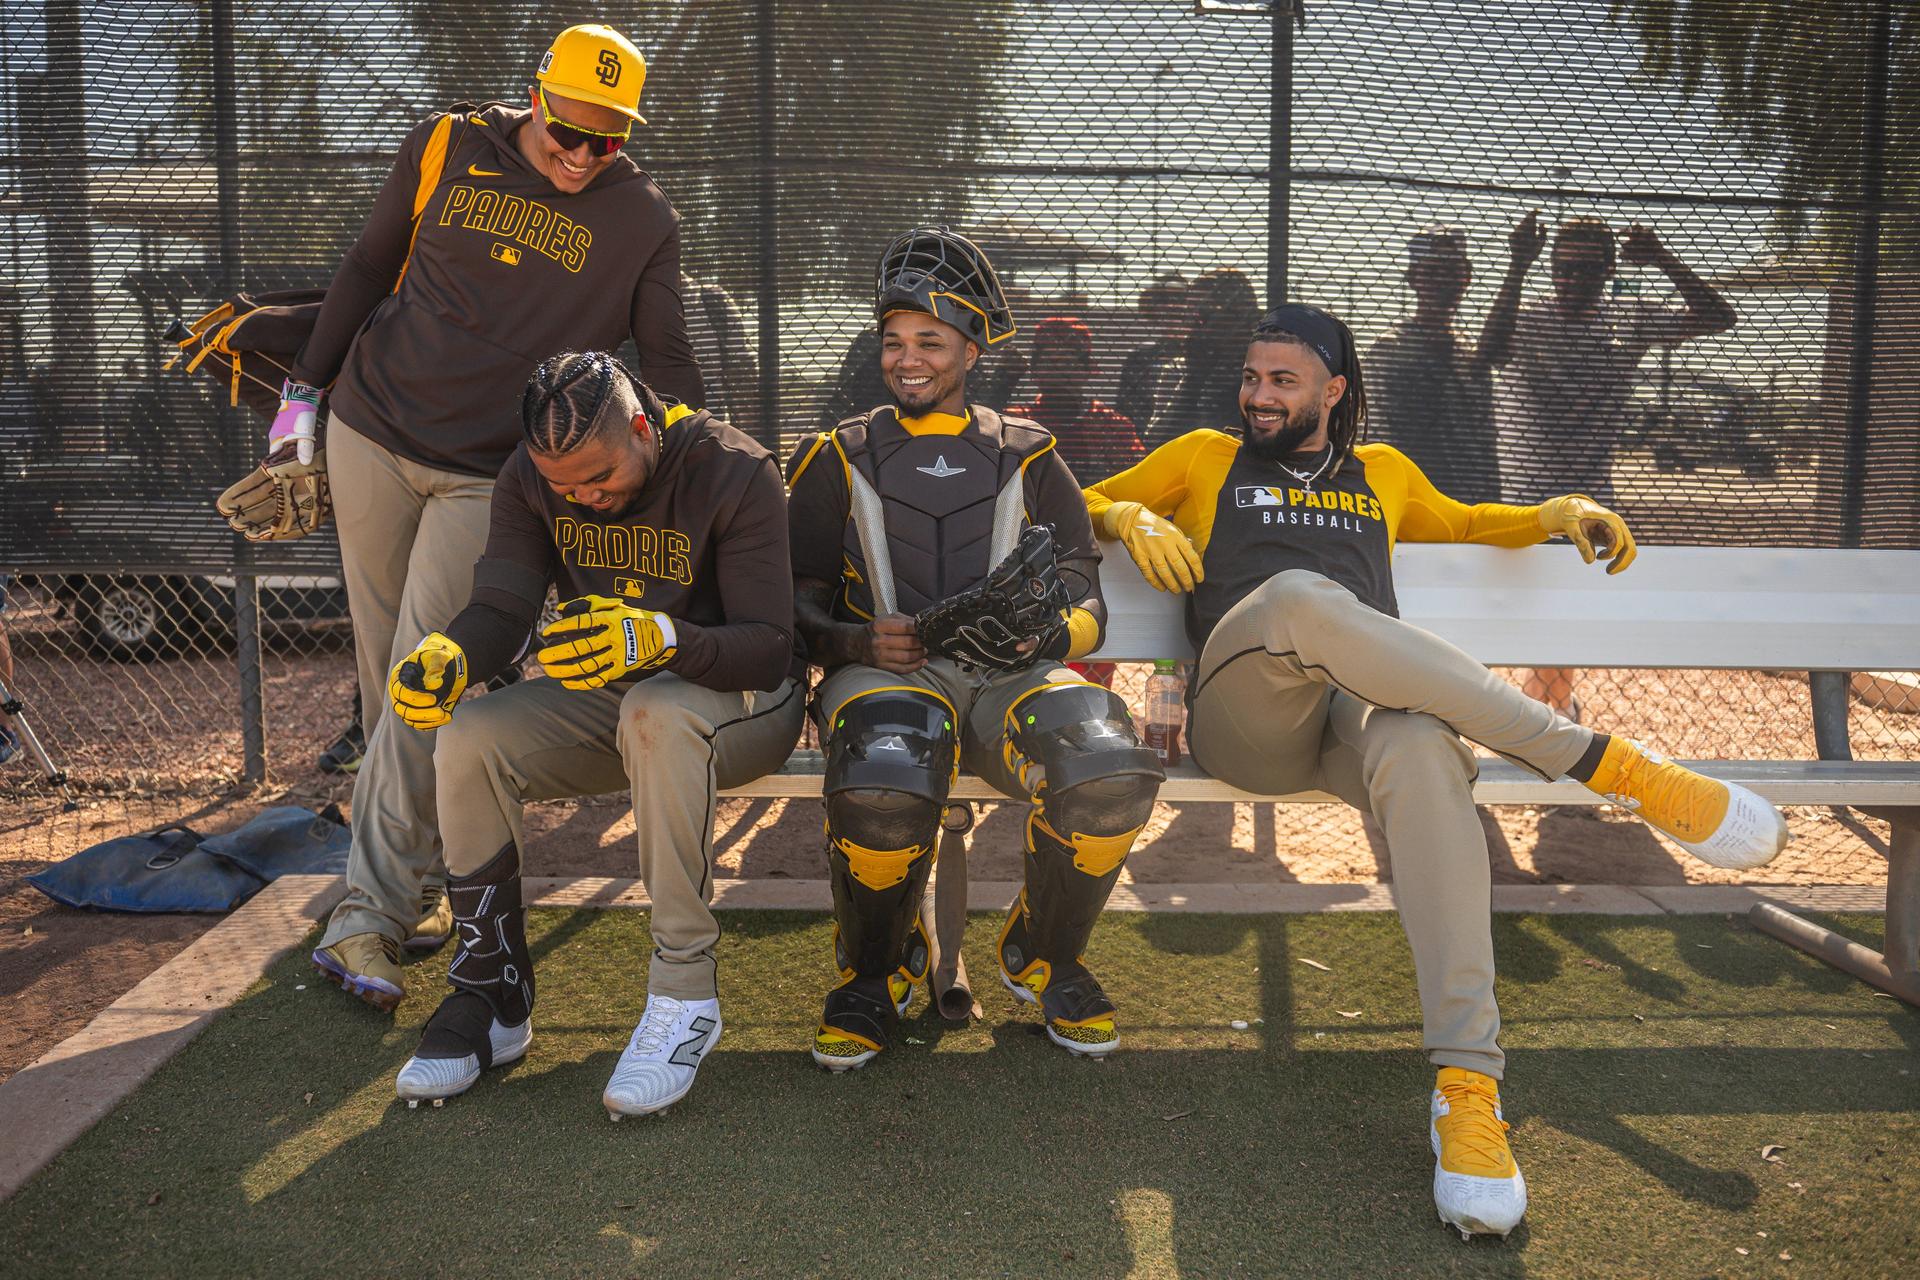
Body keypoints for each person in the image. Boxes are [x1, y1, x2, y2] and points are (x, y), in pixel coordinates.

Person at [1084, 303, 1788, 1240]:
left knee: (1422, 746)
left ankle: (1468, 1089)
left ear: (1333, 390)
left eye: (1282, 380)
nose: (1258, 395)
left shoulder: (1382, 473)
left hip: (1347, 722)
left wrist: (1555, 511)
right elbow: (1068, 496)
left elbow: (1463, 523)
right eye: (1252, 378)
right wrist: (1127, 510)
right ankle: (1615, 769)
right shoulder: (1204, 457)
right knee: (1298, 595)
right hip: (1244, 718)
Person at [297, 24, 707, 1010]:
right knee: (380, 672)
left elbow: (669, 354)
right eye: (566, 131)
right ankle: (418, 876)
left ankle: (368, 915)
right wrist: (300, 397)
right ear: (536, 98)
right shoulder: (446, 143)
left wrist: (702, 452)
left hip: (492, 472)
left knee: (421, 670)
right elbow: (365, 265)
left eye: (604, 141)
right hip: (371, 430)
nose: (580, 155)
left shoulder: (641, 216)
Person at [386, 351, 802, 1115]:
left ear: (642, 427)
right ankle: (493, 992)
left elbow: (771, 645)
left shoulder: (734, 467)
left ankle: (685, 997)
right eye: (563, 485)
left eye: (598, 477)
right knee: (469, 736)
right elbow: (504, 608)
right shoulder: (528, 474)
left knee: (658, 709)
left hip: (743, 701)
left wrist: (664, 640)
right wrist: (452, 651)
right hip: (618, 703)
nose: (582, 496)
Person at [786, 227, 1164, 1069]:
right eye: (893, 341)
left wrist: (1050, 633)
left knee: (1106, 764)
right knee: (888, 773)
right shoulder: (835, 454)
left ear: (971, 347)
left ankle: (1044, 951)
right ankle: (875, 973)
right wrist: (854, 637)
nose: (907, 359)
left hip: (1014, 676)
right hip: (886, 678)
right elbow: (791, 599)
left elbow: (1085, 587)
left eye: (929, 341)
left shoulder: (1029, 454)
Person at [1489, 217, 1735, 716]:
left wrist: (1663, 258)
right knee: (1530, 618)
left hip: (1589, 501)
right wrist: (1517, 265)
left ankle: (1547, 715)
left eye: (1583, 269)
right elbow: (1490, 349)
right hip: (1520, 499)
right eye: (1561, 268)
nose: (1570, 279)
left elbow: (1718, 317)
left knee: (1560, 618)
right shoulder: (1529, 318)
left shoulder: (1626, 320)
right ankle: (1555, 714)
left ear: (1607, 271)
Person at [1364, 217, 1544, 502]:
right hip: (1411, 494)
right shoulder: (1390, 348)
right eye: (1433, 271)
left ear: (1466, 277)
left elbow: (1490, 352)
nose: (1442, 281)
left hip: (1471, 492)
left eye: (1451, 271)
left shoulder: (1468, 348)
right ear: (1413, 278)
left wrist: (1518, 266)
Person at [1008, 316, 1145, 480]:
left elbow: (1138, 476)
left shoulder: (1110, 424)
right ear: (1035, 371)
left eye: (1067, 364)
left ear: (1086, 371)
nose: (1058, 374)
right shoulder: (1018, 420)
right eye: (1049, 364)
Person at [1156, 267, 1261, 447]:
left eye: (1203, 316)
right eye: (1190, 316)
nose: (1194, 327)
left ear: (1238, 316)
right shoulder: (1180, 369)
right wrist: (1194, 377)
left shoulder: (1265, 376)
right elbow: (1159, 444)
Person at [1114, 272, 1191, 438]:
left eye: (1180, 300)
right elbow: (1125, 411)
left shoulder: (1200, 358)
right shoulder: (1139, 358)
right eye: (1163, 301)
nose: (1172, 306)